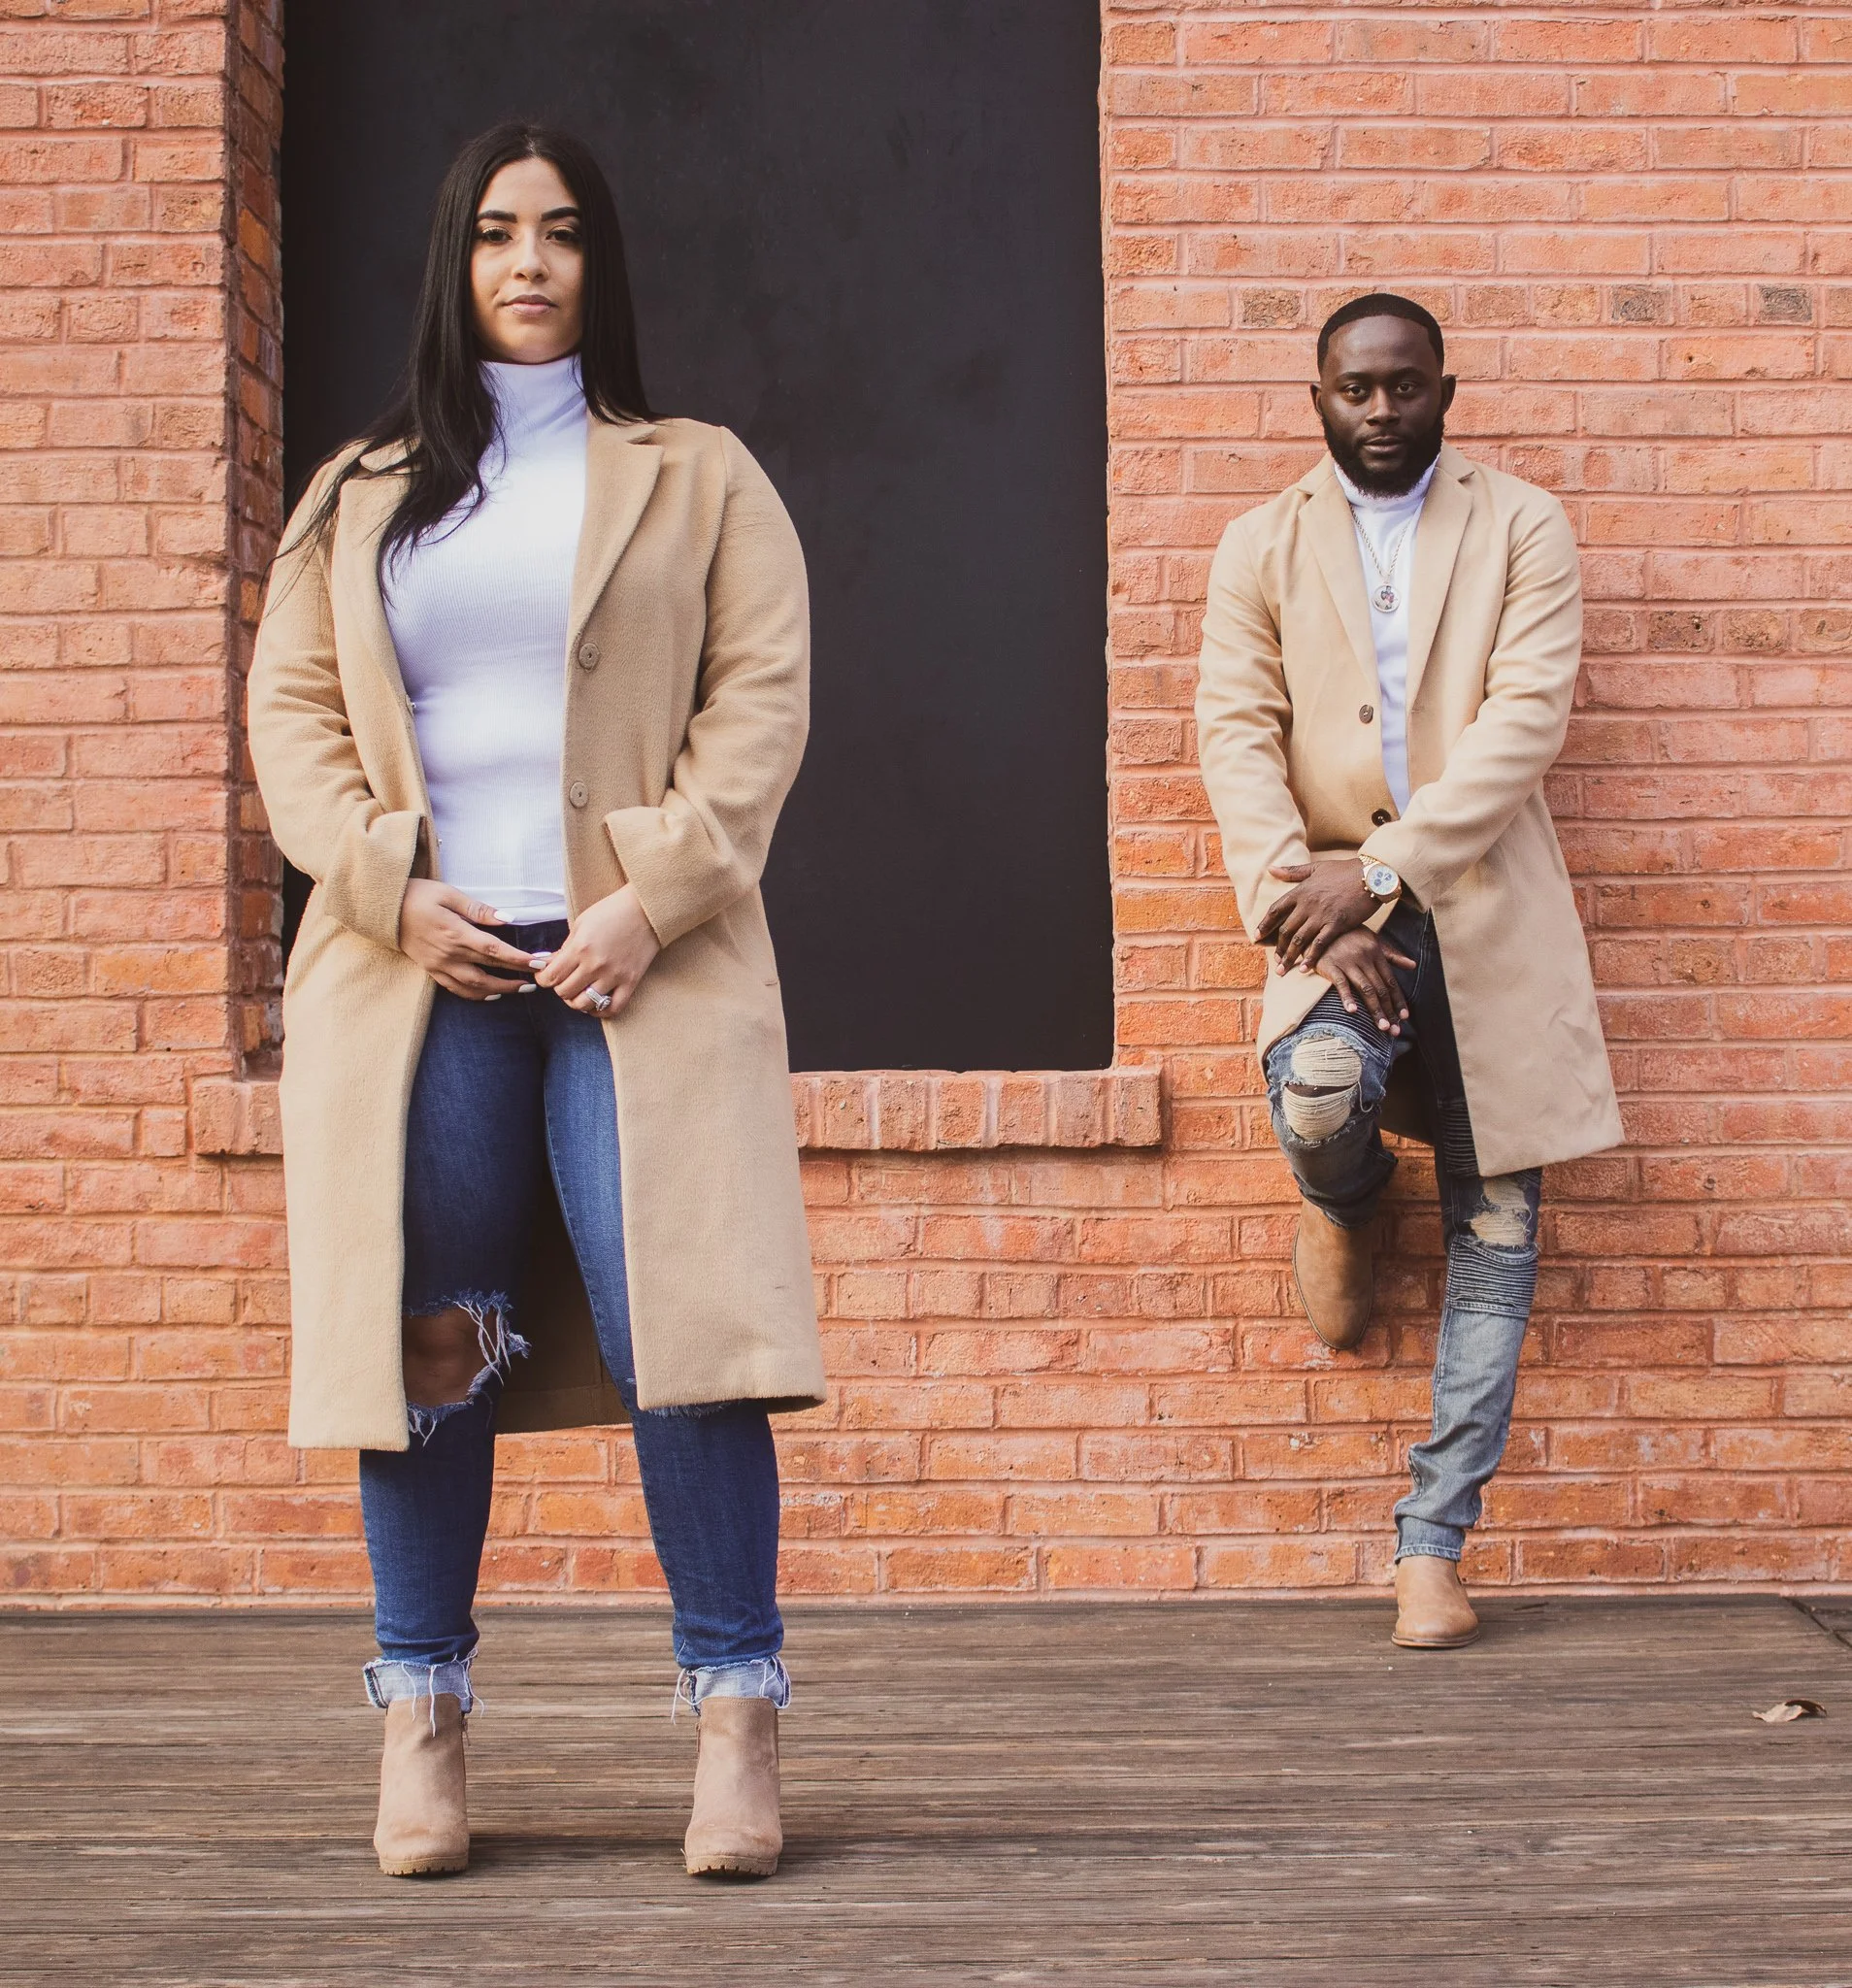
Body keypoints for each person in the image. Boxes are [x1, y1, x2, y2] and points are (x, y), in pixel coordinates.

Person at [249, 122, 824, 1880]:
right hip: (431, 977)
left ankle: (737, 1714)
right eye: (497, 232)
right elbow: (293, 726)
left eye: (563, 232)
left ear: (600, 263)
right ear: (455, 258)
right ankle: (419, 1711)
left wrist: (651, 900)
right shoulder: (356, 495)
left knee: (691, 1340)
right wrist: (385, 892)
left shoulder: (698, 474)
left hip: (636, 975)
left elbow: (761, 707)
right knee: (430, 1345)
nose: (529, 261)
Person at [1194, 292, 1621, 1649]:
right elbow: (1235, 737)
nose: (1382, 411)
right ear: (1317, 394)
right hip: (1320, 910)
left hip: (1485, 908)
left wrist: (1382, 869)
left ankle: (1432, 1547)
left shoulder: (1522, 524)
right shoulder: (1260, 543)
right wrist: (1316, 907)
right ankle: (1349, 1204)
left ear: (1446, 388)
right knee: (1317, 1097)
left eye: (1405, 387)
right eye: (1355, 390)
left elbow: (1524, 722)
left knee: (1499, 1229)